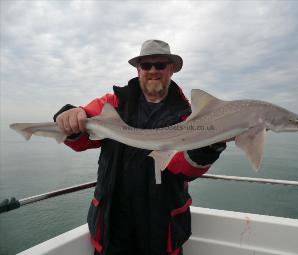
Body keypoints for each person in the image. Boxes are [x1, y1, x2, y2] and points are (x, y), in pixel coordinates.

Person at [54, 40, 227, 255]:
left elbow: (186, 167)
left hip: (162, 229)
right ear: (138, 70)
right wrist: (71, 116)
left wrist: (210, 146)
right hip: (113, 226)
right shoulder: (114, 103)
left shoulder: (188, 116)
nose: (153, 70)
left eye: (160, 65)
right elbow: (82, 137)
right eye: (146, 66)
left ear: (171, 69)